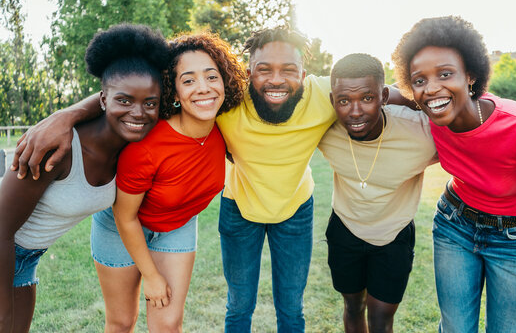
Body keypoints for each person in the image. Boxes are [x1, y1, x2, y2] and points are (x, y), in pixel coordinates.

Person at [10, 27, 410, 332]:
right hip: (183, 220)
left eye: (289, 69)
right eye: (263, 69)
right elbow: (126, 92)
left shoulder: (304, 98)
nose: (276, 80)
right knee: (162, 317)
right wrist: (63, 115)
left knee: (265, 310)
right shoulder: (189, 120)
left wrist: (453, 103)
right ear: (246, 72)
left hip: (257, 215)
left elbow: (376, 91)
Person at [0, 23, 168, 333]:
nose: (138, 113)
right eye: (125, 101)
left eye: (150, 104)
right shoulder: (58, 147)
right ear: (104, 100)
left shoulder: (133, 147)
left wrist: (71, 111)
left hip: (26, 258)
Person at [392, 16, 516, 333]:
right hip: (454, 226)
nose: (432, 88)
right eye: (419, 80)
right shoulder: (430, 105)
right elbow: (382, 93)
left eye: (445, 74)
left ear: (470, 75)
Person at [90, 32, 246, 332]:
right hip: (121, 226)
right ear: (173, 93)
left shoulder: (227, 125)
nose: (203, 88)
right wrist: (151, 276)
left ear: (224, 82)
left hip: (178, 225)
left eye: (211, 77)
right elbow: (126, 216)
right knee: (122, 322)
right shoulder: (146, 147)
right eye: (188, 80)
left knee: (168, 323)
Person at [318, 53, 437, 333]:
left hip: (394, 235)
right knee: (353, 308)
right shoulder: (324, 130)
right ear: (332, 100)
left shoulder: (420, 134)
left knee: (382, 321)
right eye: (344, 101)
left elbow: (476, 134)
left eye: (367, 98)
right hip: (345, 229)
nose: (355, 111)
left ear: (384, 96)